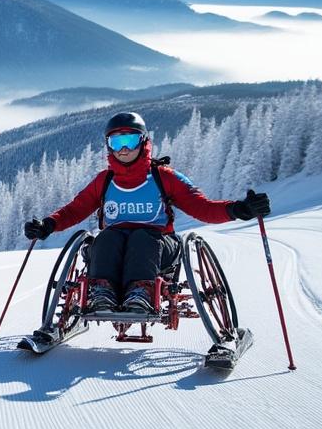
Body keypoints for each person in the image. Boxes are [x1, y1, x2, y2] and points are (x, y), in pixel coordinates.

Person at [24, 112, 271, 317]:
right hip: (115, 248)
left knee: (142, 236)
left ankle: (141, 291)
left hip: (160, 246)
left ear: (143, 141)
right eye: (115, 142)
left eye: (129, 141)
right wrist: (48, 225)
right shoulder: (105, 181)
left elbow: (202, 207)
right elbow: (76, 209)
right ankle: (102, 292)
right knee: (107, 237)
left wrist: (239, 209)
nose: (122, 149)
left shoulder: (164, 178)